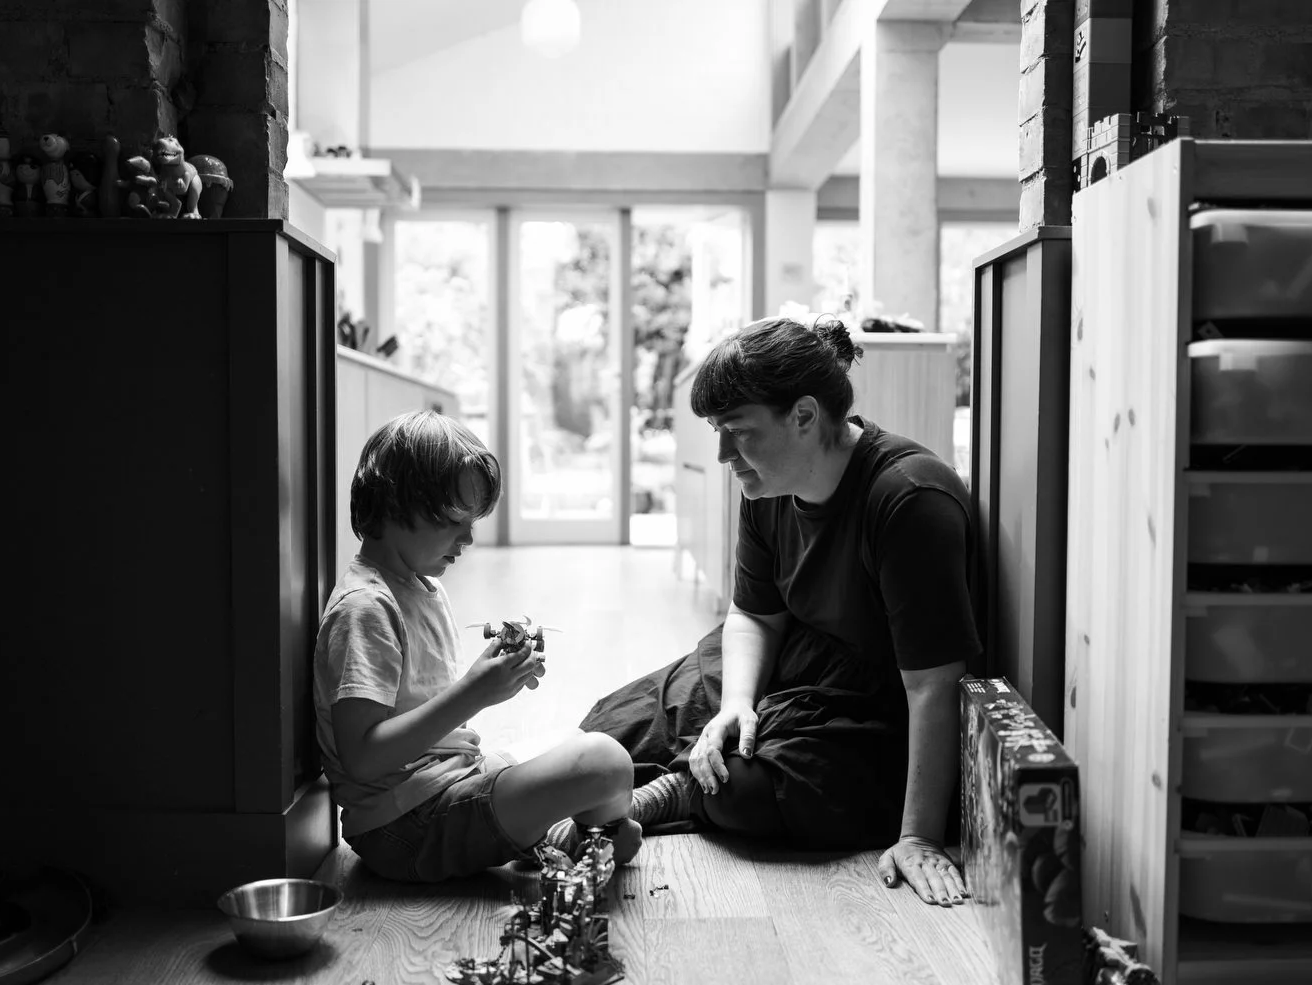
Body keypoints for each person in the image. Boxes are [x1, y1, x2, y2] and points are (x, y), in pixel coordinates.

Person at [580, 317, 981, 907]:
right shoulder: (767, 483)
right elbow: (752, 615)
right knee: (609, 730)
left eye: (737, 431)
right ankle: (661, 787)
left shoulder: (909, 499)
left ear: (804, 416)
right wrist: (738, 703)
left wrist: (918, 835)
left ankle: (667, 795)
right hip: (793, 652)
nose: (722, 454)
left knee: (744, 787)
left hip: (876, 697)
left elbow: (932, 687)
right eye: (717, 431)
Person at [315, 410, 643, 883]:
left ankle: (577, 832)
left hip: (445, 788)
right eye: (453, 521)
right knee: (605, 762)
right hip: (405, 825)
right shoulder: (365, 608)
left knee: (583, 741)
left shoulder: (418, 586)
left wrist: (498, 675)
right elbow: (363, 758)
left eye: (472, 521)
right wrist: (474, 691)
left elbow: (422, 707)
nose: (468, 538)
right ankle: (590, 837)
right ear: (392, 506)